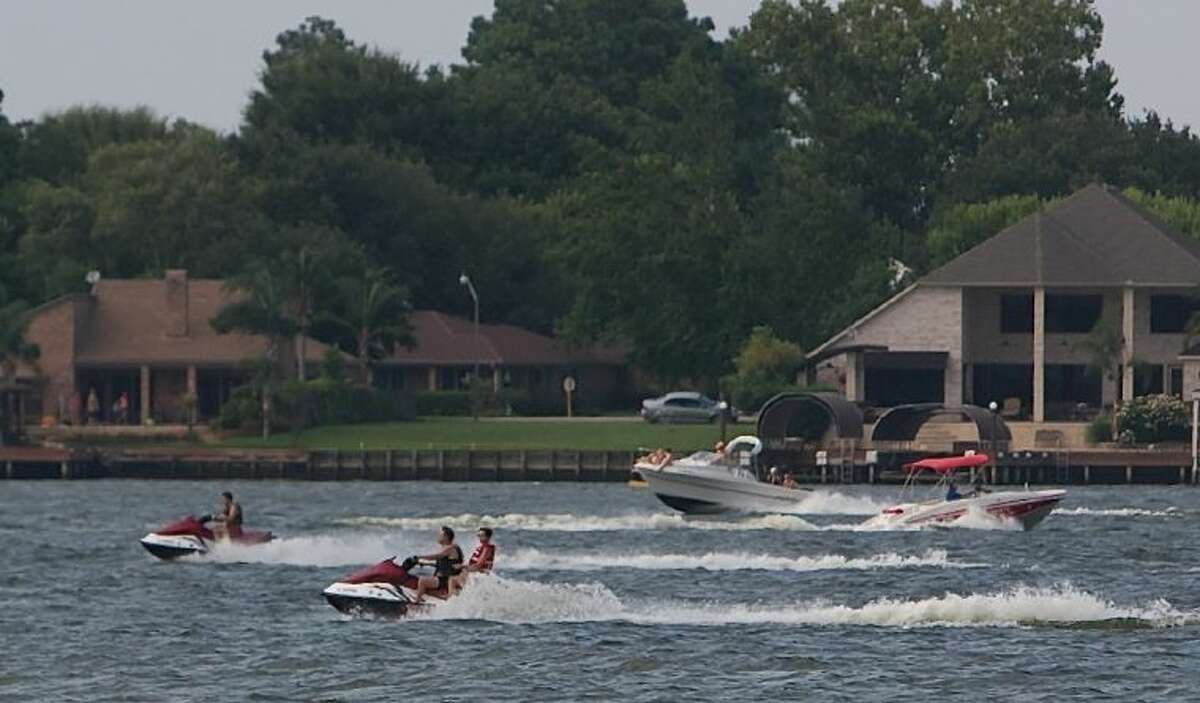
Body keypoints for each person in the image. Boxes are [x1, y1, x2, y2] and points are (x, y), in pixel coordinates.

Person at [413, 526, 464, 604]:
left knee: (422, 581)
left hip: (445, 579)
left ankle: (416, 602)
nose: (437, 537)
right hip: (443, 577)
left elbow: (437, 556)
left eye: (439, 535)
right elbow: (444, 562)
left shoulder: (451, 548)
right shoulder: (447, 547)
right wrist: (423, 562)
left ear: (445, 536)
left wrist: (420, 557)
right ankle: (424, 598)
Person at [450, 527, 497, 593]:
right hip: (473, 572)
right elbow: (472, 564)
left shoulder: (487, 549)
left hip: (480, 574)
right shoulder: (481, 547)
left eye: (482, 535)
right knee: (453, 576)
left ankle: (452, 600)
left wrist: (462, 566)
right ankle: (455, 596)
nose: (479, 537)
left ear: (488, 537)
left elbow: (478, 566)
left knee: (452, 580)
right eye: (478, 535)